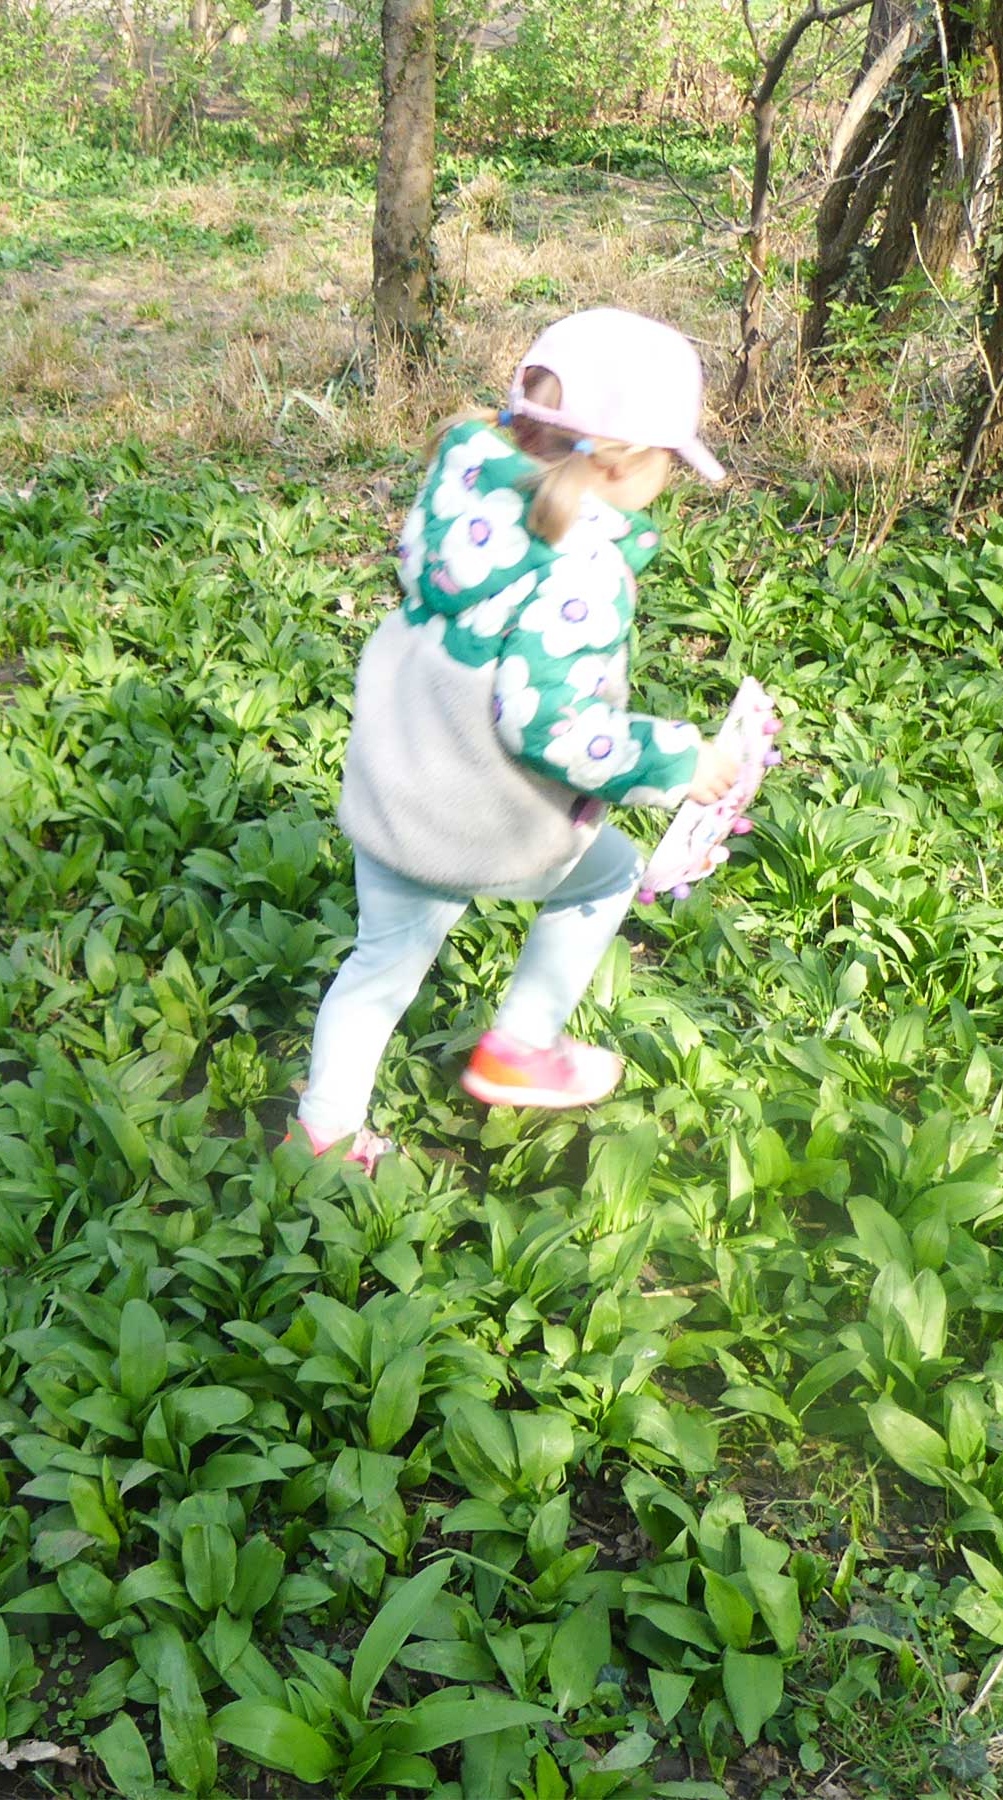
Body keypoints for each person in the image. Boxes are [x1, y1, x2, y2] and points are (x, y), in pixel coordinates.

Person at [288, 310, 741, 1171]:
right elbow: (552, 730)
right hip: (469, 812)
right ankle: (519, 1044)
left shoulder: (465, 480)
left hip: (399, 775)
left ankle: (323, 1133)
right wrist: (680, 760)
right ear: (621, 461)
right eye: (669, 465)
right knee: (602, 878)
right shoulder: (582, 564)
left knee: (378, 970)